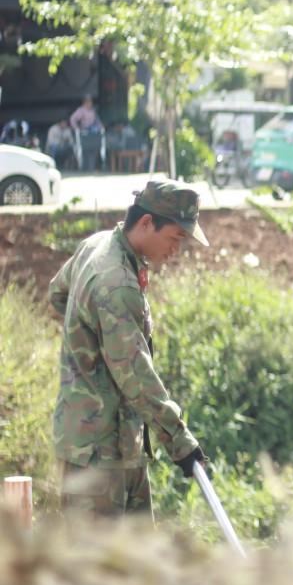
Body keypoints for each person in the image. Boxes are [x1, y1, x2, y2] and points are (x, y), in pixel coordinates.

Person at [49, 180, 210, 518]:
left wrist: (91, 348)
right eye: (175, 238)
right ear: (147, 223)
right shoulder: (116, 284)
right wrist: (179, 441)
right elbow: (136, 376)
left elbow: (58, 294)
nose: (176, 250)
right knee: (100, 553)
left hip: (120, 443)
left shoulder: (98, 245)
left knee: (136, 551)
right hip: (97, 457)